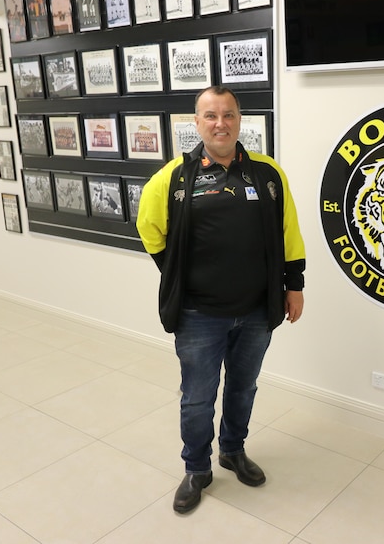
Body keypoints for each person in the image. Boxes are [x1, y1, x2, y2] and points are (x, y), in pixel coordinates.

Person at [136, 85, 306, 514]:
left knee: (243, 387)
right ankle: (197, 469)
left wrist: (294, 284)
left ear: (239, 120)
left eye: (228, 115)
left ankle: (233, 450)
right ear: (196, 123)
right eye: (210, 115)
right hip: (198, 315)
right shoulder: (175, 178)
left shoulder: (268, 174)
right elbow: (148, 226)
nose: (220, 123)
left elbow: (289, 233)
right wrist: (174, 272)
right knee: (197, 396)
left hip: (255, 311)